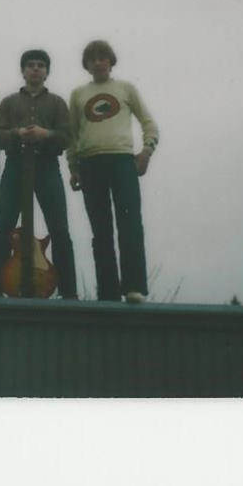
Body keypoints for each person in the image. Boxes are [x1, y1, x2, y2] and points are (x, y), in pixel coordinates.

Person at [67, 39, 159, 303]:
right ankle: (107, 293)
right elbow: (72, 135)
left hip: (122, 162)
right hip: (90, 164)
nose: (98, 63)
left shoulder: (126, 88)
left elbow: (149, 124)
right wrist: (73, 167)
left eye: (103, 58)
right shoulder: (78, 94)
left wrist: (146, 152)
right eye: (93, 59)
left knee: (130, 224)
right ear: (86, 65)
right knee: (101, 231)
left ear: (111, 61)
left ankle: (134, 287)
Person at [0, 49, 77, 298]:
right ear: (23, 71)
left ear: (47, 72)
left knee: (59, 229)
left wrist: (45, 134)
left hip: (47, 166)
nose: (35, 69)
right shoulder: (9, 102)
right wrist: (18, 134)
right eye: (30, 65)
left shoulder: (57, 103)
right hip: (16, 165)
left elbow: (67, 136)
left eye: (40, 65)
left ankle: (69, 293)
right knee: (3, 226)